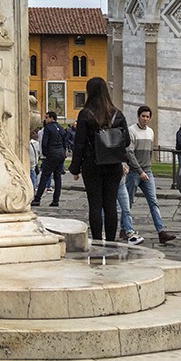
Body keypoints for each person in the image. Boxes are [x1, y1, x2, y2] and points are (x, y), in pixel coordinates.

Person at [69, 76, 128, 245]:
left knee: (95, 204)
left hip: (92, 163)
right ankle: (110, 242)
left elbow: (79, 143)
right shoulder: (117, 114)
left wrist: (75, 168)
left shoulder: (86, 114)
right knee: (110, 205)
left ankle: (96, 242)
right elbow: (127, 141)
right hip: (113, 164)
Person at [123, 105, 175, 245]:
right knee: (129, 203)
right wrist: (140, 171)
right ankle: (125, 228)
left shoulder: (150, 132)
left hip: (148, 171)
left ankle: (161, 231)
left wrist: (147, 169)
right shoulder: (132, 131)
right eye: (143, 116)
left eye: (147, 116)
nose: (145, 119)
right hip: (135, 172)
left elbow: (149, 152)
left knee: (153, 201)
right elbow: (130, 153)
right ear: (138, 116)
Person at [31, 111, 68, 207]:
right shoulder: (61, 128)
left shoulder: (48, 128)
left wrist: (45, 154)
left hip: (52, 153)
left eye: (47, 117)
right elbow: (65, 142)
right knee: (57, 177)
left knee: (45, 176)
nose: (45, 119)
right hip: (61, 154)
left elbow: (44, 142)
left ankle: (37, 199)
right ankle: (56, 200)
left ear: (52, 118)